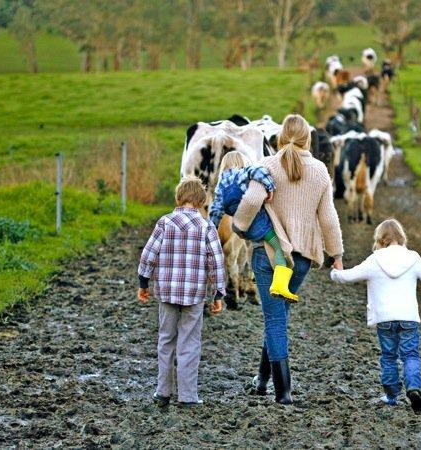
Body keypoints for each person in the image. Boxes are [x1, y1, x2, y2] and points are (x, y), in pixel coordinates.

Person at [233, 114, 344, 405]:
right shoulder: (319, 171)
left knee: (274, 319)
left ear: (280, 138)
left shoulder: (267, 165)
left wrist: (239, 226)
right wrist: (337, 254)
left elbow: (251, 202)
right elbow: (328, 218)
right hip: (301, 260)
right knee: (278, 316)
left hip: (269, 256)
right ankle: (262, 380)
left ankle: (283, 391)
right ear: (308, 139)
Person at [330, 219, 421, 413]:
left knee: (389, 357)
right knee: (410, 355)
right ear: (401, 237)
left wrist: (336, 272)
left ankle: (391, 396)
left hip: (384, 318)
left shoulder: (375, 259)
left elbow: (347, 276)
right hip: (408, 317)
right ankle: (414, 388)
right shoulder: (413, 257)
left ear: (380, 239)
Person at [137, 176, 227, 407]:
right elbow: (216, 261)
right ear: (201, 201)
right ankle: (187, 396)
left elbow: (149, 254)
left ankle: (162, 392)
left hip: (166, 293)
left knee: (166, 340)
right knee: (190, 343)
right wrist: (218, 293)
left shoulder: (164, 223)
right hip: (194, 296)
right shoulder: (207, 226)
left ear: (178, 198)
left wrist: (143, 282)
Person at [210, 151, 298, 302]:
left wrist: (211, 230)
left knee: (257, 245)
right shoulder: (242, 173)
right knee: (279, 247)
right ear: (241, 163)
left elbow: (216, 211)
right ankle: (280, 285)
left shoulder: (220, 186)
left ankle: (252, 278)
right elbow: (259, 171)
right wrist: (270, 188)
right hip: (257, 222)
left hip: (240, 227)